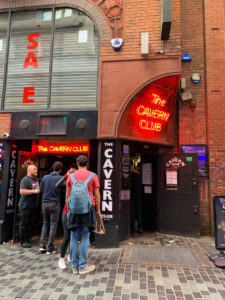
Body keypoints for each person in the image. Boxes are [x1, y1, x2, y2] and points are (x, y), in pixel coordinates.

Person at [66, 155, 101, 275]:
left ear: (77, 163)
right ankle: (83, 266)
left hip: (73, 210)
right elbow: (97, 195)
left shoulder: (71, 176)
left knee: (74, 237)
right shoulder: (93, 176)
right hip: (88, 208)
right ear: (87, 163)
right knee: (85, 236)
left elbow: (67, 196)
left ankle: (74, 267)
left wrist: (68, 210)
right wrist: (98, 210)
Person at [39, 161, 63, 254]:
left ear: (52, 168)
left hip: (44, 203)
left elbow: (41, 189)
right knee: (53, 225)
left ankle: (42, 245)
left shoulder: (45, 177)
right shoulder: (61, 178)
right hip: (55, 203)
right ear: (60, 169)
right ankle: (50, 247)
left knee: (45, 223)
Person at [56, 165, 77, 270]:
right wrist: (65, 176)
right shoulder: (68, 182)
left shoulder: (78, 183)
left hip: (75, 212)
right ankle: (61, 258)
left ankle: (70, 255)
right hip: (67, 212)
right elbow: (57, 184)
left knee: (74, 235)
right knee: (67, 236)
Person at [19, 164, 40, 248]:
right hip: (25, 206)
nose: (36, 171)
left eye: (36, 169)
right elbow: (22, 191)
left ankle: (27, 238)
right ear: (29, 170)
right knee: (24, 224)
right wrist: (34, 191)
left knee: (30, 224)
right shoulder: (25, 180)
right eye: (34, 169)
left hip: (33, 206)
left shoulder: (35, 179)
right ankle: (23, 241)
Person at [130, 164, 143, 234]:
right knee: (138, 211)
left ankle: (132, 228)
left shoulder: (128, 176)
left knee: (132, 212)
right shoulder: (138, 175)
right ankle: (140, 227)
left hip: (131, 196)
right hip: (138, 195)